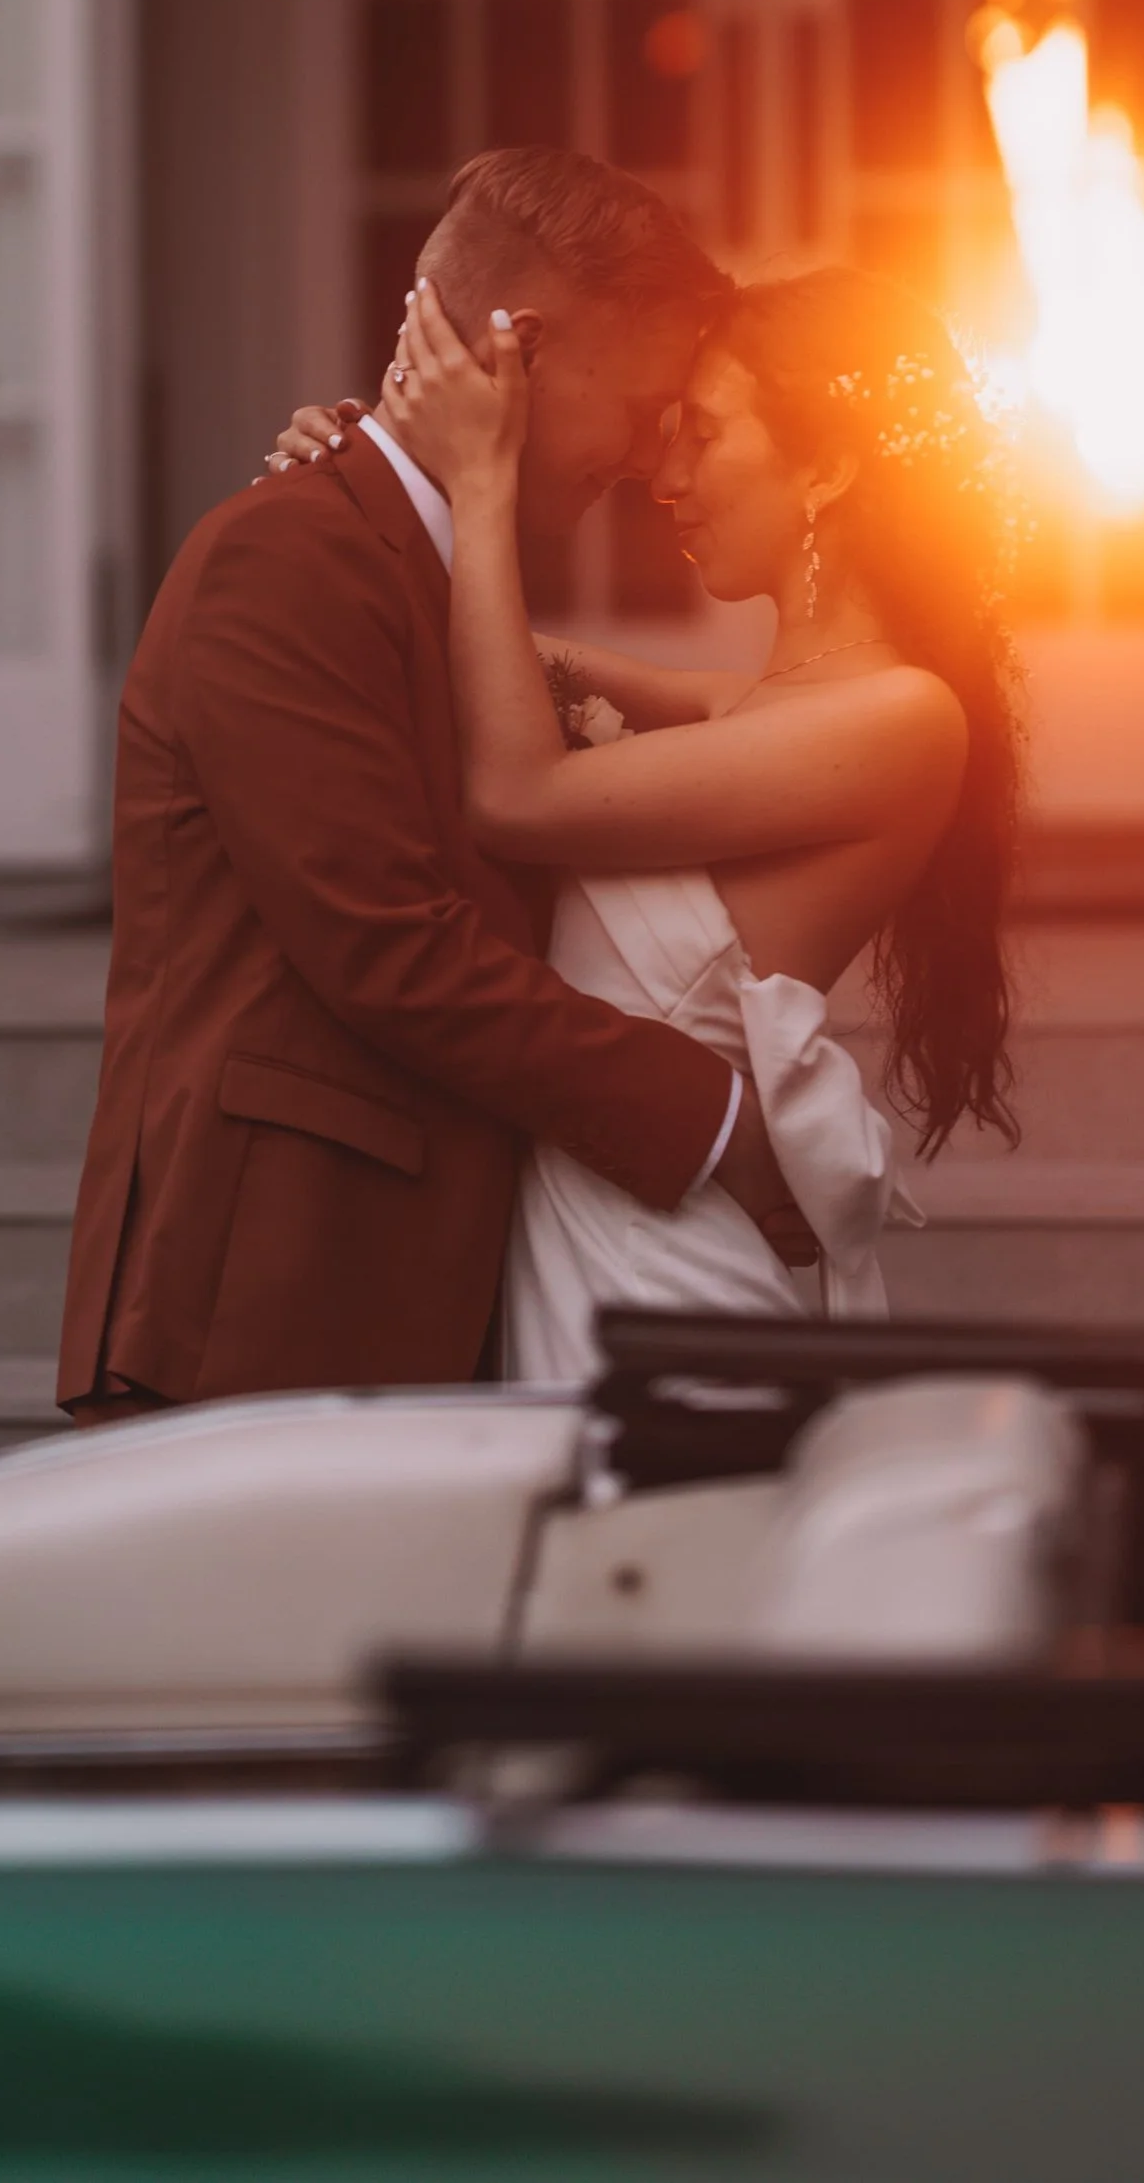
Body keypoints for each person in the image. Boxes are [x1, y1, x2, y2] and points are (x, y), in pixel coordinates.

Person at [57, 147, 816, 1423]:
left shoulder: (452, 581)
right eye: (642, 405)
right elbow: (390, 945)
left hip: (413, 1283)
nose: (650, 458)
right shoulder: (284, 554)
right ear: (518, 350)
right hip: (270, 1298)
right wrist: (714, 1122)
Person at [309, 260, 1019, 1355]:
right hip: (590, 1221)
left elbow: (516, 795)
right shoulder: (743, 706)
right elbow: (478, 650)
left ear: (826, 468)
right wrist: (363, 487)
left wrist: (484, 483)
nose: (665, 475)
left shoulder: (904, 718)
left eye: (705, 434)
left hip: (657, 1269)